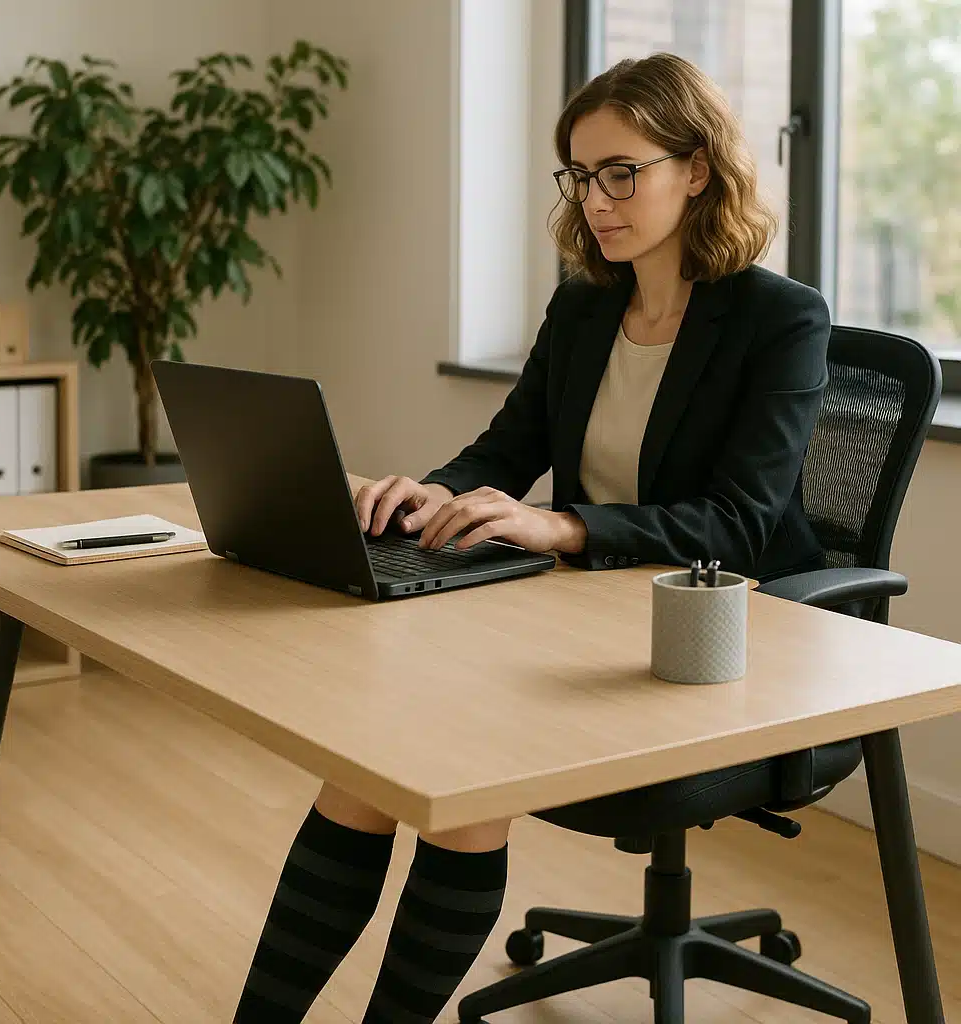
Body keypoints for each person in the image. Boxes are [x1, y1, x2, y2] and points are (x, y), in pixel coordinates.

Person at [233, 51, 830, 1024]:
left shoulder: (779, 317)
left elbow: (742, 520)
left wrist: (557, 524)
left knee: (459, 779)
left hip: (721, 637)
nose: (595, 198)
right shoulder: (587, 302)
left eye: (621, 171)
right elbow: (505, 447)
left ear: (699, 169)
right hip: (580, 616)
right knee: (367, 767)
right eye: (580, 174)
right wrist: (423, 496)